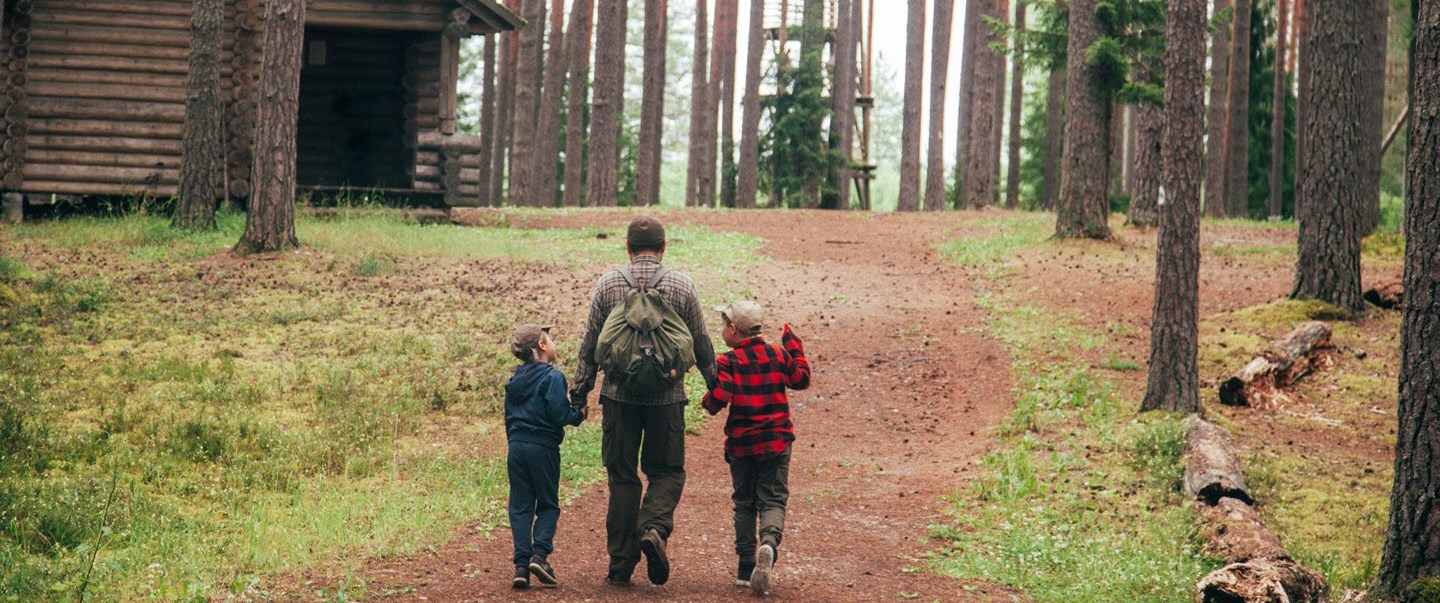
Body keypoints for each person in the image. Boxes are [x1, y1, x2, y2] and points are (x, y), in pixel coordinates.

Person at [571, 216, 719, 586]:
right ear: (663, 247)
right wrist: (716, 386)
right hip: (667, 397)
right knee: (666, 471)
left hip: (618, 396)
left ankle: (621, 565)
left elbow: (590, 345)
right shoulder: (683, 286)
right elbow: (700, 342)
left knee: (622, 476)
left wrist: (580, 393)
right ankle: (653, 528)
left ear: (628, 248)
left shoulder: (607, 285)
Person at [700, 302, 810, 596]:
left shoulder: (729, 361)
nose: (722, 330)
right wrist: (793, 346)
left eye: (724, 324)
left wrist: (706, 402)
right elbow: (801, 379)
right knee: (773, 499)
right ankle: (769, 544)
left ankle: (745, 567)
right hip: (776, 440)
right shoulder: (777, 352)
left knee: (744, 503)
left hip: (743, 444)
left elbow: (720, 397)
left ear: (733, 330)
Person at [504, 324, 586, 589]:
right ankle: (539, 555)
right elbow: (559, 415)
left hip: (516, 447)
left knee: (520, 506)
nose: (553, 342)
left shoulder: (514, 381)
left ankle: (520, 567)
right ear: (541, 346)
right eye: (550, 339)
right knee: (548, 504)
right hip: (543, 448)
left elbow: (508, 419)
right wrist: (578, 414)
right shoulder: (553, 377)